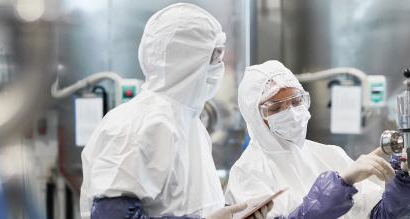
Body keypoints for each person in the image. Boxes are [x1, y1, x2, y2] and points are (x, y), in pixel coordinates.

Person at [79, 3, 272, 219]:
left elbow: (189, 205)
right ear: (185, 59)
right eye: (213, 56)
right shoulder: (134, 126)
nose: (219, 65)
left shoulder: (191, 123)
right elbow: (112, 216)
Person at [224, 60, 410, 218]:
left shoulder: (329, 155)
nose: (293, 113)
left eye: (296, 101)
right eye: (277, 108)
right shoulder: (248, 173)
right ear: (256, 117)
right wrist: (343, 183)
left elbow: (384, 215)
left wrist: (407, 174)